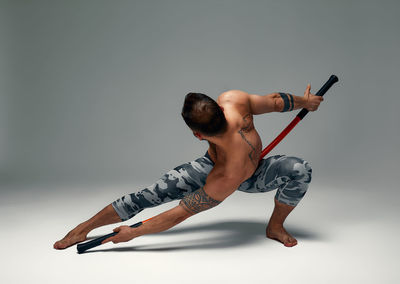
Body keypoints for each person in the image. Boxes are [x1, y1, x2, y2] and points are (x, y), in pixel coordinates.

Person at [54, 84, 322, 249]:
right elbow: (276, 101)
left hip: (253, 174)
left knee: (299, 169)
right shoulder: (234, 100)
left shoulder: (227, 174)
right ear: (219, 106)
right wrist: (304, 101)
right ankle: (83, 228)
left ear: (198, 135)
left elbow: (180, 214)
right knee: (149, 195)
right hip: (214, 165)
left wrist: (134, 233)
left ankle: (275, 227)